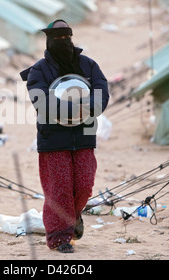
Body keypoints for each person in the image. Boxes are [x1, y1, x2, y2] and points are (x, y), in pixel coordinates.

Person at [20, 20, 109, 253]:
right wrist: (75, 109)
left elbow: (101, 91)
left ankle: (74, 216)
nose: (63, 43)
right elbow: (41, 100)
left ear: (71, 38)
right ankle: (59, 237)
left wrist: (89, 108)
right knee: (59, 188)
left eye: (66, 38)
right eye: (57, 39)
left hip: (85, 134)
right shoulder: (39, 70)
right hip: (53, 136)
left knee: (84, 185)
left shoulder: (88, 65)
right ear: (49, 42)